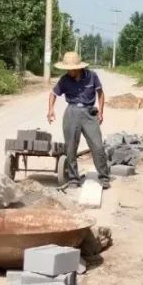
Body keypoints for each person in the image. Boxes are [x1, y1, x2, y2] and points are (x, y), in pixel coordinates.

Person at [47, 51, 111, 189]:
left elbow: (100, 93)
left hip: (89, 113)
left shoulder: (92, 76)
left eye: (71, 69)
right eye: (67, 69)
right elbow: (53, 94)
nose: (69, 71)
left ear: (78, 67)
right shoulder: (64, 80)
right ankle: (74, 179)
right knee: (70, 148)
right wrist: (51, 109)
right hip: (71, 112)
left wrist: (101, 112)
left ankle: (104, 177)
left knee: (98, 146)